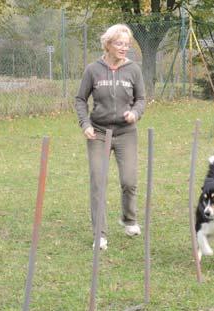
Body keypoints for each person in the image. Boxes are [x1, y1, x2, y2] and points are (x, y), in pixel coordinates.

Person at [75, 24, 146, 250]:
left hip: (126, 133)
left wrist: (134, 113)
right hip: (98, 134)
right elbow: (79, 100)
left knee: (129, 180)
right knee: (98, 182)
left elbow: (141, 99)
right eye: (119, 44)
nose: (124, 48)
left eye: (127, 44)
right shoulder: (93, 70)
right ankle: (100, 235)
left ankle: (129, 218)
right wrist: (85, 124)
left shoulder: (133, 69)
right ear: (108, 45)